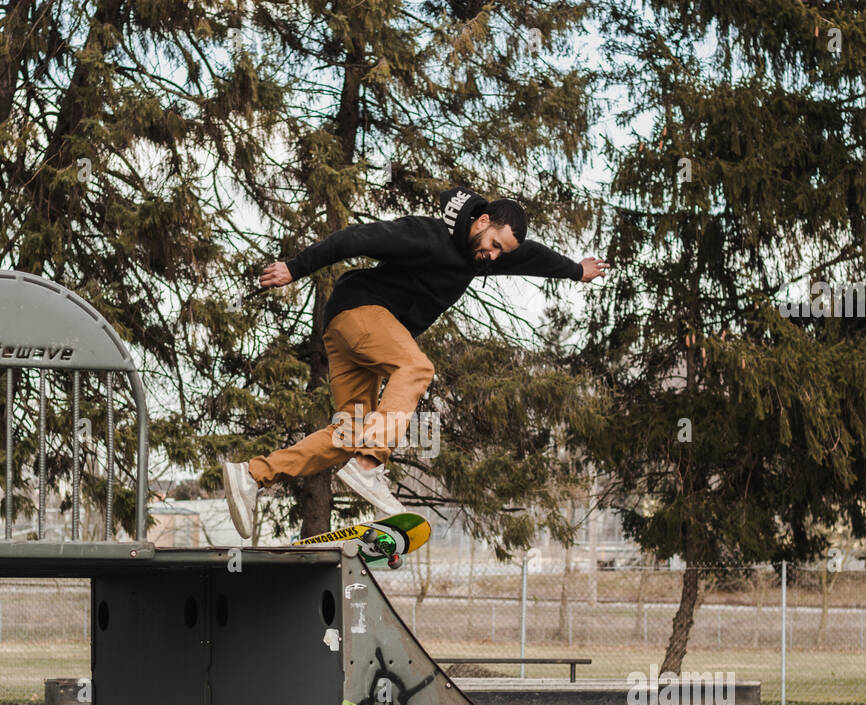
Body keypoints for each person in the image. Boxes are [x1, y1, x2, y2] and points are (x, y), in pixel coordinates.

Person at [222, 186, 606, 538]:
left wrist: (576, 271)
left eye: (500, 252)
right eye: (493, 245)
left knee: (350, 431)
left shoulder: (480, 255)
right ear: (482, 220)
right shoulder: (427, 236)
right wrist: (296, 267)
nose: (493, 256)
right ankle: (370, 465)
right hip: (361, 312)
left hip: (349, 332)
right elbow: (355, 237)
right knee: (416, 368)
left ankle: (253, 475)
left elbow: (532, 257)